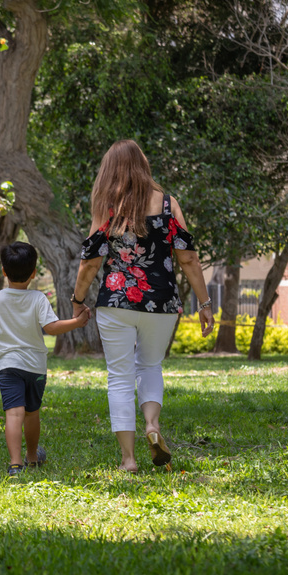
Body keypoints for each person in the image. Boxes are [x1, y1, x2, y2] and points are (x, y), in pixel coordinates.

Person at [71, 139, 215, 473]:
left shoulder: (108, 208)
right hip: (162, 302)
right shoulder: (167, 204)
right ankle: (152, 426)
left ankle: (129, 459)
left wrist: (77, 300)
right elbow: (189, 258)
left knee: (119, 378)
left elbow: (90, 263)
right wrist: (204, 303)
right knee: (150, 366)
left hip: (116, 302)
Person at [0, 242, 90, 475]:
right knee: (31, 413)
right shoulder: (38, 299)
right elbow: (51, 328)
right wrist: (76, 322)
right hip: (35, 367)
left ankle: (15, 463)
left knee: (13, 413)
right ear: (33, 273)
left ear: (3, 271)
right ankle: (32, 457)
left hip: (8, 366)